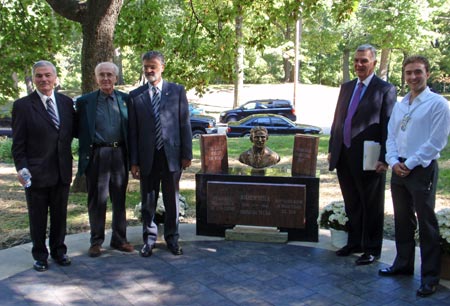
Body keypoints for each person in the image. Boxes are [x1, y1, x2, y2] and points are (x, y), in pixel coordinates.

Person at [379, 55, 450, 297]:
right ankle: (403, 264)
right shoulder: (401, 105)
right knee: (402, 219)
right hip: (398, 169)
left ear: (427, 74)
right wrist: (392, 161)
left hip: (421, 169)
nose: (413, 77)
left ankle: (430, 277)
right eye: (408, 72)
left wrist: (409, 163)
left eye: (418, 72)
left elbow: (436, 141)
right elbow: (391, 136)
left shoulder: (438, 104)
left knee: (426, 222)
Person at [328, 44, 396, 265]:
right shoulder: (346, 87)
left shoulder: (385, 89)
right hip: (344, 155)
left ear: (374, 63)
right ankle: (355, 242)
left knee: (371, 205)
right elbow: (337, 120)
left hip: (370, 157)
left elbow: (389, 126)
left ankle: (372, 248)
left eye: (364, 61)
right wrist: (332, 148)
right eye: (356, 60)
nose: (359, 64)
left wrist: (385, 157)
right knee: (352, 203)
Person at [11, 60, 76, 272]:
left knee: (60, 216)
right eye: (39, 75)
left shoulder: (66, 103)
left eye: (48, 75)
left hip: (62, 171)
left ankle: (59, 251)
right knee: (37, 218)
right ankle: (40, 255)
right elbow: (18, 144)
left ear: (55, 78)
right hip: (36, 174)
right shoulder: (22, 106)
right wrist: (22, 169)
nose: (44, 79)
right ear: (33, 79)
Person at [128, 51, 192, 257]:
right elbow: (133, 131)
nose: (149, 70)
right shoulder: (135, 95)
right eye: (146, 66)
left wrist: (187, 154)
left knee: (172, 199)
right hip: (148, 157)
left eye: (153, 66)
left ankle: (172, 238)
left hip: (171, 156)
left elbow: (184, 124)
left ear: (162, 67)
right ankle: (149, 239)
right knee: (148, 200)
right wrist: (134, 161)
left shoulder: (177, 91)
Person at [76, 62, 133, 257]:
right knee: (97, 200)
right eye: (102, 75)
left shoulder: (126, 100)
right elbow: (78, 130)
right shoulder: (85, 102)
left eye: (109, 75)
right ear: (96, 78)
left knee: (119, 199)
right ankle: (96, 241)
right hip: (97, 155)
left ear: (116, 78)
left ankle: (119, 239)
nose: (106, 78)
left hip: (119, 154)